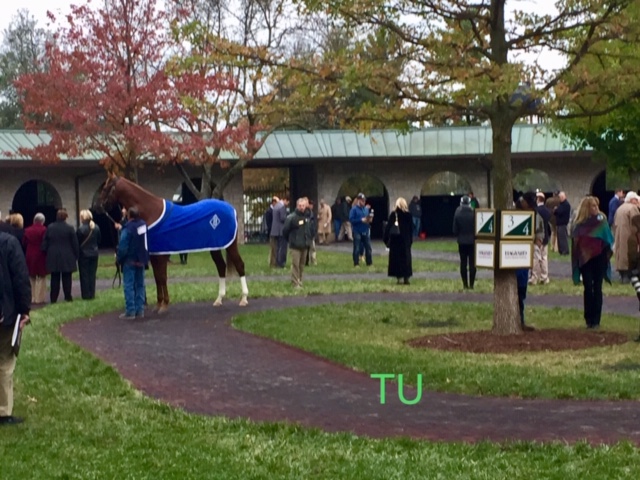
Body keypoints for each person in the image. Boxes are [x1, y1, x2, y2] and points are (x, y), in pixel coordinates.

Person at [0, 230, 31, 425]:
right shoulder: (9, 243)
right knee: (4, 359)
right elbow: (20, 277)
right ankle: (3, 410)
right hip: (5, 312)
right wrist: (24, 309)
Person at [571, 196, 613, 329]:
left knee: (598, 287)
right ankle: (588, 318)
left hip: (599, 258)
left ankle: (597, 319)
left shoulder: (602, 222)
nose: (596, 209)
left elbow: (608, 240)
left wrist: (606, 253)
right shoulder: (579, 224)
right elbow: (575, 242)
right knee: (588, 287)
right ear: (587, 208)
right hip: (585, 260)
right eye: (593, 206)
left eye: (597, 206)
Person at [515, 192, 544, 330]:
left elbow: (539, 231)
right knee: (518, 285)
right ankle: (519, 319)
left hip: (525, 253)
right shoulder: (513, 211)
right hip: (514, 253)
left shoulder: (534, 214)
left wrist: (538, 239)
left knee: (522, 287)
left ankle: (520, 319)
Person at [116, 207, 149, 319]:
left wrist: (119, 258)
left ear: (129, 216)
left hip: (130, 259)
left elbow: (123, 246)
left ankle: (130, 311)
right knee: (140, 285)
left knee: (129, 285)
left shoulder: (128, 228)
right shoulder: (143, 225)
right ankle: (140, 310)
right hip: (141, 259)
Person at [41, 208, 79, 303]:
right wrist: (76, 255)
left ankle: (53, 298)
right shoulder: (70, 228)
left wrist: (45, 251)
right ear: (66, 217)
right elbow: (75, 243)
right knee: (67, 277)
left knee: (54, 278)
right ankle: (67, 296)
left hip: (53, 255)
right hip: (67, 255)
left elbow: (45, 242)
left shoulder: (50, 227)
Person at [282, 198, 313, 288]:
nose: (302, 207)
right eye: (300, 206)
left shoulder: (307, 216)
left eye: (303, 206)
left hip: (304, 244)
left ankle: (300, 280)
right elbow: (285, 231)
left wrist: (309, 239)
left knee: (302, 265)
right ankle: (294, 283)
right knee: (295, 265)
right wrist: (291, 240)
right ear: (297, 206)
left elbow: (309, 229)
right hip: (295, 245)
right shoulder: (291, 218)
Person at [383, 197, 413, 284]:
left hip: (395, 240)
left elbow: (388, 228)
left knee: (396, 260)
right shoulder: (409, 215)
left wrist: (386, 240)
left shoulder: (393, 215)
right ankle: (406, 277)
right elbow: (411, 230)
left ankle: (398, 278)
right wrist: (410, 241)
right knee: (406, 259)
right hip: (405, 241)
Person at [22, 213, 48, 304]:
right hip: (41, 254)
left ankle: (31, 297)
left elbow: (24, 243)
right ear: (42, 221)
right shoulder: (44, 229)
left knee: (31, 276)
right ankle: (39, 298)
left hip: (30, 253)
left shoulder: (27, 230)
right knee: (41, 276)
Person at [76, 209, 102, 300]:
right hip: (94, 253)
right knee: (92, 274)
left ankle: (86, 294)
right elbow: (99, 240)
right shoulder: (96, 227)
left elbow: (77, 242)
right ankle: (92, 293)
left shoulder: (80, 229)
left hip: (83, 254)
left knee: (84, 275)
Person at [452, 195, 476, 289]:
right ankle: (472, 285)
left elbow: (454, 230)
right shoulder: (474, 213)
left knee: (463, 263)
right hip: (472, 241)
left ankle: (465, 284)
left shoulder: (457, 213)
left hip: (461, 241)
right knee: (472, 264)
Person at [529, 192, 552, 285]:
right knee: (544, 258)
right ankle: (544, 277)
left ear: (538, 199)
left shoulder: (535, 211)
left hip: (537, 236)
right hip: (546, 236)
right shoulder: (547, 211)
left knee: (535, 258)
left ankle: (535, 277)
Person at [349, 193, 373, 267]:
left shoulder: (365, 209)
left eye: (364, 201)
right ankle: (356, 263)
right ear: (358, 200)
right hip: (357, 231)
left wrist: (369, 219)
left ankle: (369, 263)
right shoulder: (354, 209)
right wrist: (360, 220)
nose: (363, 202)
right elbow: (351, 220)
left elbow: (367, 218)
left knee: (368, 248)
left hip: (365, 230)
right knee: (357, 248)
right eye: (362, 201)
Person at [270, 197, 289, 268]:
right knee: (282, 248)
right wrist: (288, 218)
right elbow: (282, 218)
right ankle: (281, 263)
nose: (287, 204)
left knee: (277, 248)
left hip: (275, 230)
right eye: (287, 202)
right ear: (285, 200)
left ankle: (276, 262)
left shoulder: (276, 206)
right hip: (281, 230)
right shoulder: (282, 207)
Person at [305, 199, 318, 266]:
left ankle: (312, 261)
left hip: (311, 232)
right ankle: (310, 261)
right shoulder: (307, 213)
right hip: (309, 233)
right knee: (310, 248)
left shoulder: (311, 212)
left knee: (311, 248)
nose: (312, 206)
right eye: (311, 205)